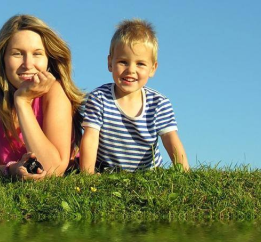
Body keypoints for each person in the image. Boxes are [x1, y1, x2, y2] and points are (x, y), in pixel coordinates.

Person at [0, 15, 84, 180]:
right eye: (17, 54)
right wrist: (12, 170)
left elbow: (52, 170)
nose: (28, 64)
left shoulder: (55, 91)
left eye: (37, 54)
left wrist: (22, 102)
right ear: (2, 58)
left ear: (48, 60)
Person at [80, 19, 189, 173]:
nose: (131, 70)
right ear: (110, 63)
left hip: (148, 175)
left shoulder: (159, 103)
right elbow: (90, 138)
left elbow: (171, 140)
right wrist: (87, 175)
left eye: (140, 64)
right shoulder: (99, 98)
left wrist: (184, 173)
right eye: (123, 62)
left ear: (153, 68)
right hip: (106, 172)